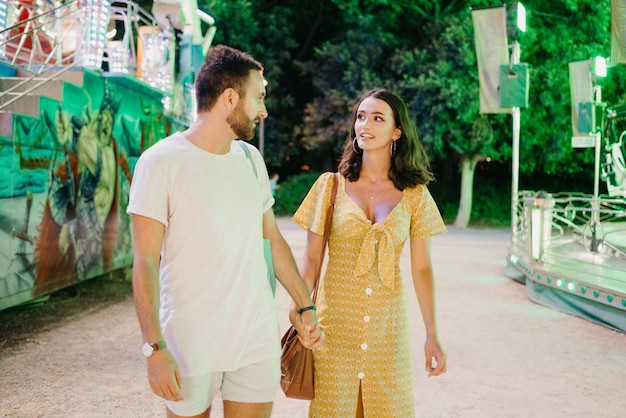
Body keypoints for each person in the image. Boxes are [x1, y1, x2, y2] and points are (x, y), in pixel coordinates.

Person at [127, 45, 322, 418]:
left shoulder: (250, 160)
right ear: (230, 98)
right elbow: (146, 263)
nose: (263, 111)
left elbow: (272, 239)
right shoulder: (160, 163)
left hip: (255, 338)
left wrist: (305, 304)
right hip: (190, 341)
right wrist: (154, 348)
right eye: (258, 97)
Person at [291, 89, 447, 417]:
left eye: (377, 118)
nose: (366, 124)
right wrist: (300, 311)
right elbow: (311, 259)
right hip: (334, 329)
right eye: (361, 116)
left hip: (388, 330)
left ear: (396, 131)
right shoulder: (329, 186)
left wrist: (432, 333)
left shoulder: (416, 195)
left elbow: (422, 269)